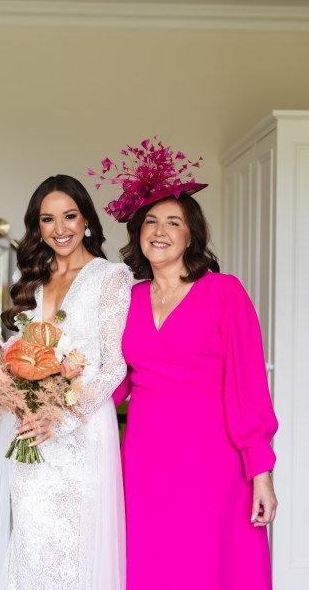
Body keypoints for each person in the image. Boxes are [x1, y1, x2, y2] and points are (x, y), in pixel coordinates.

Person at [93, 138, 278, 590]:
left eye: (173, 222)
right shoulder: (128, 298)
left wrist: (262, 474)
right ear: (138, 232)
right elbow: (112, 383)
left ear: (190, 234)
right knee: (148, 563)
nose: (160, 230)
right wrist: (54, 397)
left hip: (212, 459)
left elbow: (248, 387)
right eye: (150, 221)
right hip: (144, 459)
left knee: (208, 564)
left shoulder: (224, 292)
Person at [0, 174, 132, 590]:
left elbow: (114, 366)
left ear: (86, 219)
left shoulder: (112, 277)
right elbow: (15, 353)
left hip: (81, 433)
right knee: (31, 540)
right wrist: (17, 395)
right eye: (48, 219)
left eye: (70, 216)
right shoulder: (34, 278)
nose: (60, 229)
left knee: (76, 547)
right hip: (29, 432)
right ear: (37, 227)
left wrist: (63, 419)